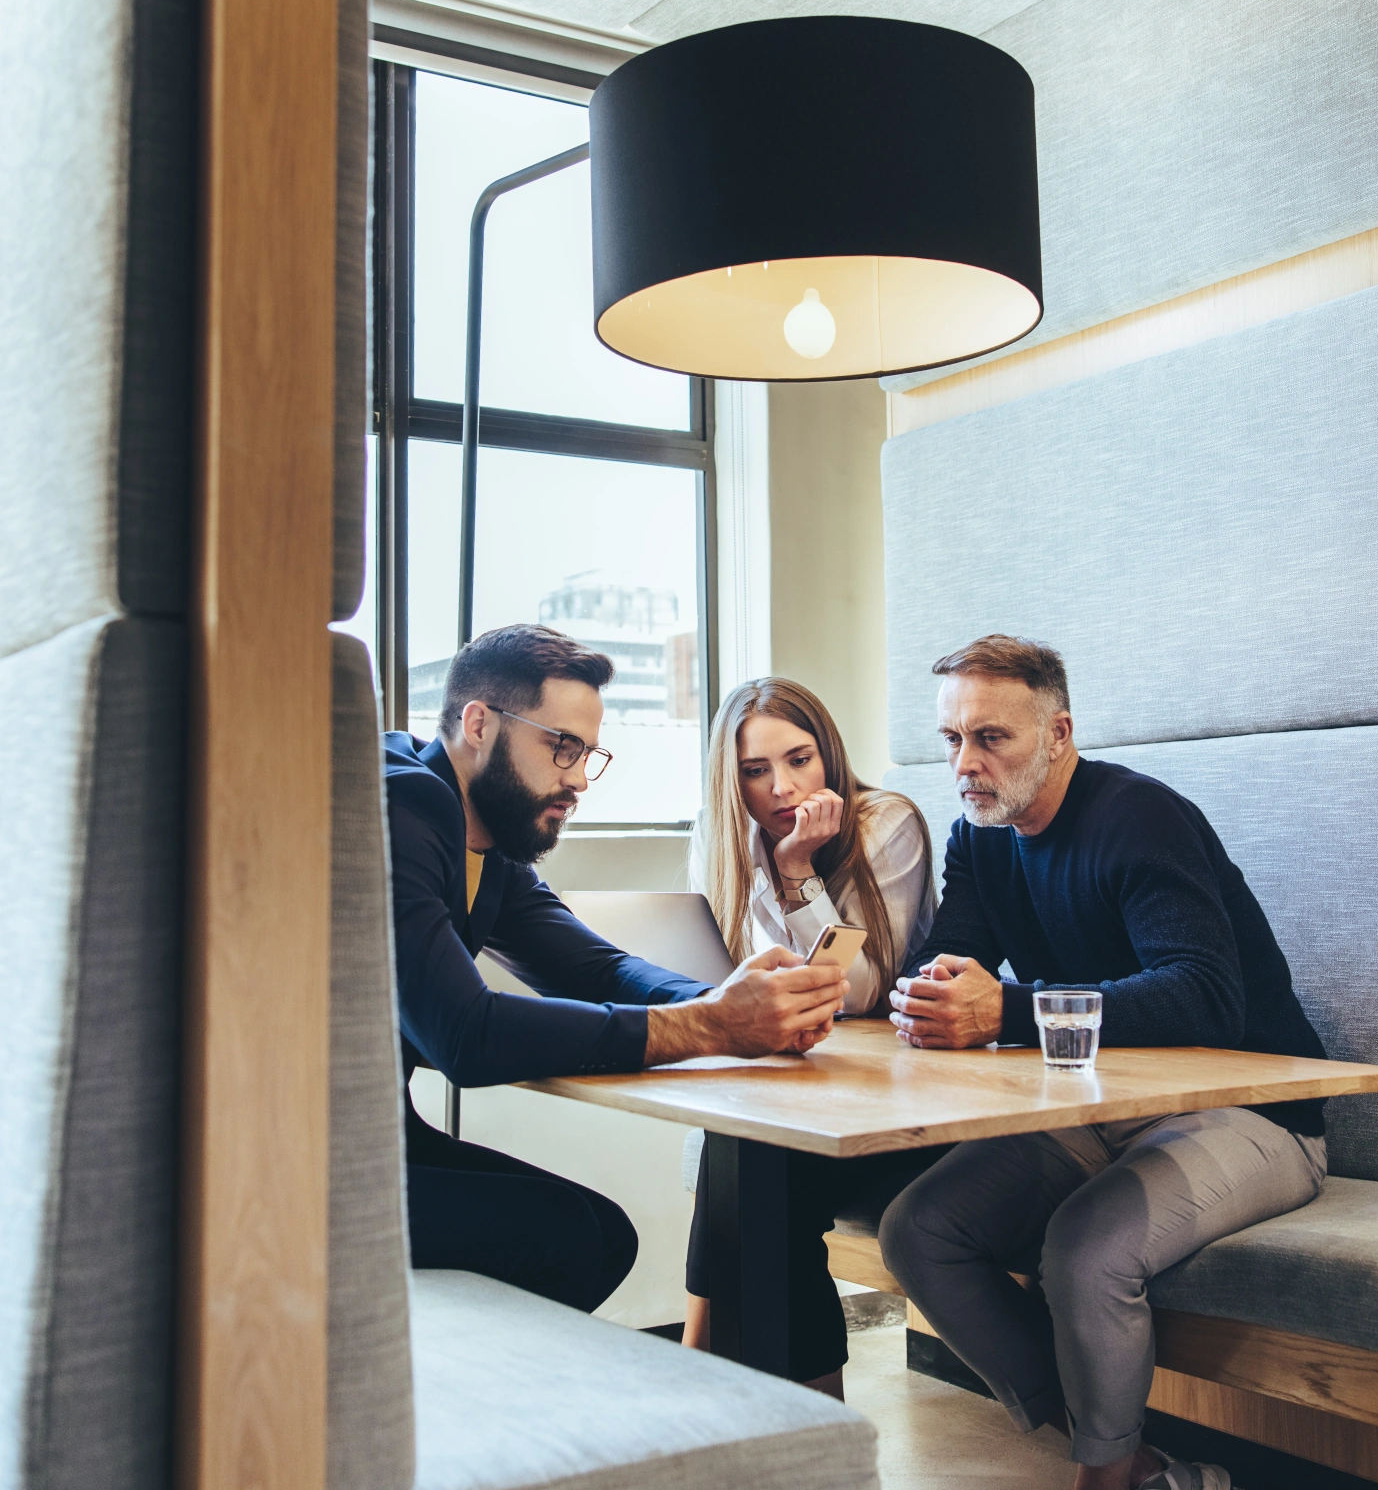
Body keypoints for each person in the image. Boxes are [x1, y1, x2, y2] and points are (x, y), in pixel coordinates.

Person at [877, 636, 1328, 1490]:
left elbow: (1204, 997)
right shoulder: (983, 835)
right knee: (920, 1230)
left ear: (1059, 732)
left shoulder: (1139, 817)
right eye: (951, 740)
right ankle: (1130, 1461)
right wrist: (921, 994)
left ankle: (1106, 1476)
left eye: (990, 738)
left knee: (1084, 1249)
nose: (965, 764)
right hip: (1103, 1110)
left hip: (1255, 1108)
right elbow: (944, 962)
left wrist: (1002, 1009)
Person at [385, 625, 849, 1316]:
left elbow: (598, 971)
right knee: (567, 1238)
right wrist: (712, 1026)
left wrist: (736, 1003)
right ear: (477, 723)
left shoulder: (489, 841)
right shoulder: (403, 808)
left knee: (603, 1237)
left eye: (587, 754)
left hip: (382, 1138)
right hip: (297, 1158)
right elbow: (464, 1035)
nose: (576, 779)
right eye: (561, 748)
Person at [680, 677, 939, 1396]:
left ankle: (719, 1366)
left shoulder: (887, 823)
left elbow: (856, 989)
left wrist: (796, 872)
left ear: (827, 751)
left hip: (884, 1083)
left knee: (754, 1156)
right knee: (743, 1141)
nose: (782, 788)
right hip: (792, 1074)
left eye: (799, 760)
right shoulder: (724, 835)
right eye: (755, 771)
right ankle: (791, 1403)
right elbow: (722, 973)